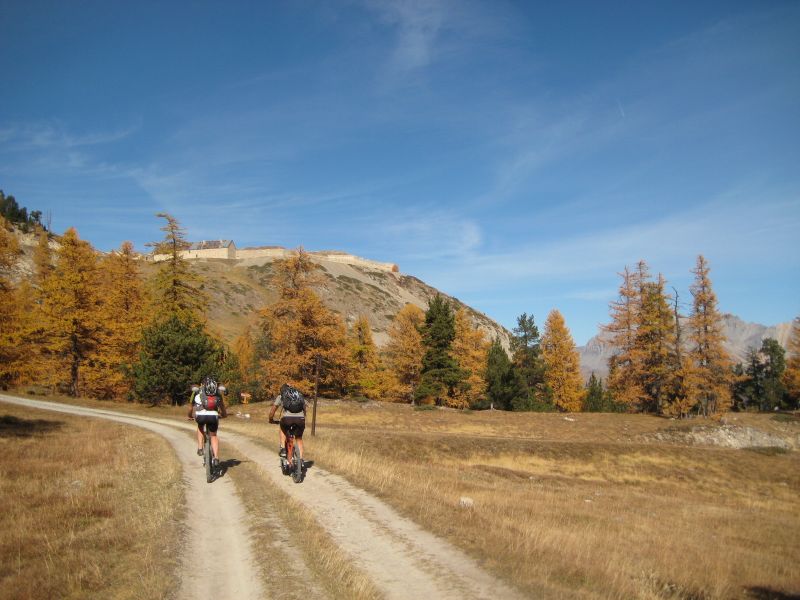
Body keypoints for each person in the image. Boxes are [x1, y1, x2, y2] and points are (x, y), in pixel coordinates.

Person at [187, 376, 228, 466]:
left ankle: (200, 448)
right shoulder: (217, 392)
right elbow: (222, 407)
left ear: (202, 384)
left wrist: (190, 415)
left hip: (200, 416)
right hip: (213, 417)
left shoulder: (197, 391)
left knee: (200, 427)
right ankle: (216, 458)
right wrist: (224, 415)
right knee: (213, 435)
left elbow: (190, 407)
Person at [268, 384, 306, 463]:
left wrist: (271, 419)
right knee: (299, 438)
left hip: (287, 419)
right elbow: (304, 408)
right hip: (300, 419)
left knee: (282, 428)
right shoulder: (298, 395)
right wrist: (302, 418)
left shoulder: (281, 396)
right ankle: (301, 460)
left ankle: (283, 449)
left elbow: (273, 410)